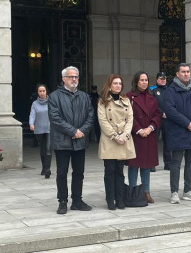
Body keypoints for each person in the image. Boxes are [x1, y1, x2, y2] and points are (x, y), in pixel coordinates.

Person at [48, 66, 94, 214]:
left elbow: (90, 116)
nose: (74, 79)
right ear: (63, 79)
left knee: (79, 172)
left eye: (76, 77)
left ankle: (77, 201)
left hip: (79, 142)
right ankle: (62, 201)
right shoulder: (54, 96)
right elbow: (55, 118)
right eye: (70, 77)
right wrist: (73, 131)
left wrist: (81, 132)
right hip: (62, 142)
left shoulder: (85, 96)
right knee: (62, 172)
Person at [162, 63, 191, 203]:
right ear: (177, 74)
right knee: (176, 162)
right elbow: (171, 111)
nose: (186, 74)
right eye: (183, 71)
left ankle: (188, 191)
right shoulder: (170, 91)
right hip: (178, 131)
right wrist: (187, 123)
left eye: (188, 71)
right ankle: (174, 192)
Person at [97, 74, 136, 210]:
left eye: (120, 83)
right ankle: (110, 199)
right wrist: (115, 136)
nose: (118, 85)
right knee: (109, 171)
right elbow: (103, 121)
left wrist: (124, 136)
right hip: (110, 140)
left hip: (123, 139)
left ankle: (120, 199)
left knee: (120, 172)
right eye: (115, 83)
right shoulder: (102, 101)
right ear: (109, 85)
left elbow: (130, 119)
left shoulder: (126, 100)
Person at [127, 71, 162, 203]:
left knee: (147, 165)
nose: (144, 82)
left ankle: (146, 191)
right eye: (141, 80)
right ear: (136, 82)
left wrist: (150, 127)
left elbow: (157, 115)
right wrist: (139, 130)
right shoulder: (129, 97)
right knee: (134, 165)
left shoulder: (152, 97)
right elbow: (128, 116)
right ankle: (132, 191)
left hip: (149, 135)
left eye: (146, 80)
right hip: (136, 136)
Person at [29, 84, 51, 179]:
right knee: (42, 149)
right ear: (37, 92)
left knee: (48, 148)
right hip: (39, 129)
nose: (42, 93)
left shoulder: (52, 102)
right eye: (40, 91)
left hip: (50, 129)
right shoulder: (35, 104)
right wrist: (31, 124)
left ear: (46, 91)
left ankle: (47, 169)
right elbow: (32, 114)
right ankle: (44, 167)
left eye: (43, 91)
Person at [150, 72, 171, 170]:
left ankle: (168, 163)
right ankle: (152, 164)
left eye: (164, 78)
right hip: (157, 118)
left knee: (168, 141)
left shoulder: (169, 90)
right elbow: (152, 105)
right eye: (161, 78)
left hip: (168, 120)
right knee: (153, 141)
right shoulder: (153, 90)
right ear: (157, 79)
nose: (163, 80)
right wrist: (161, 112)